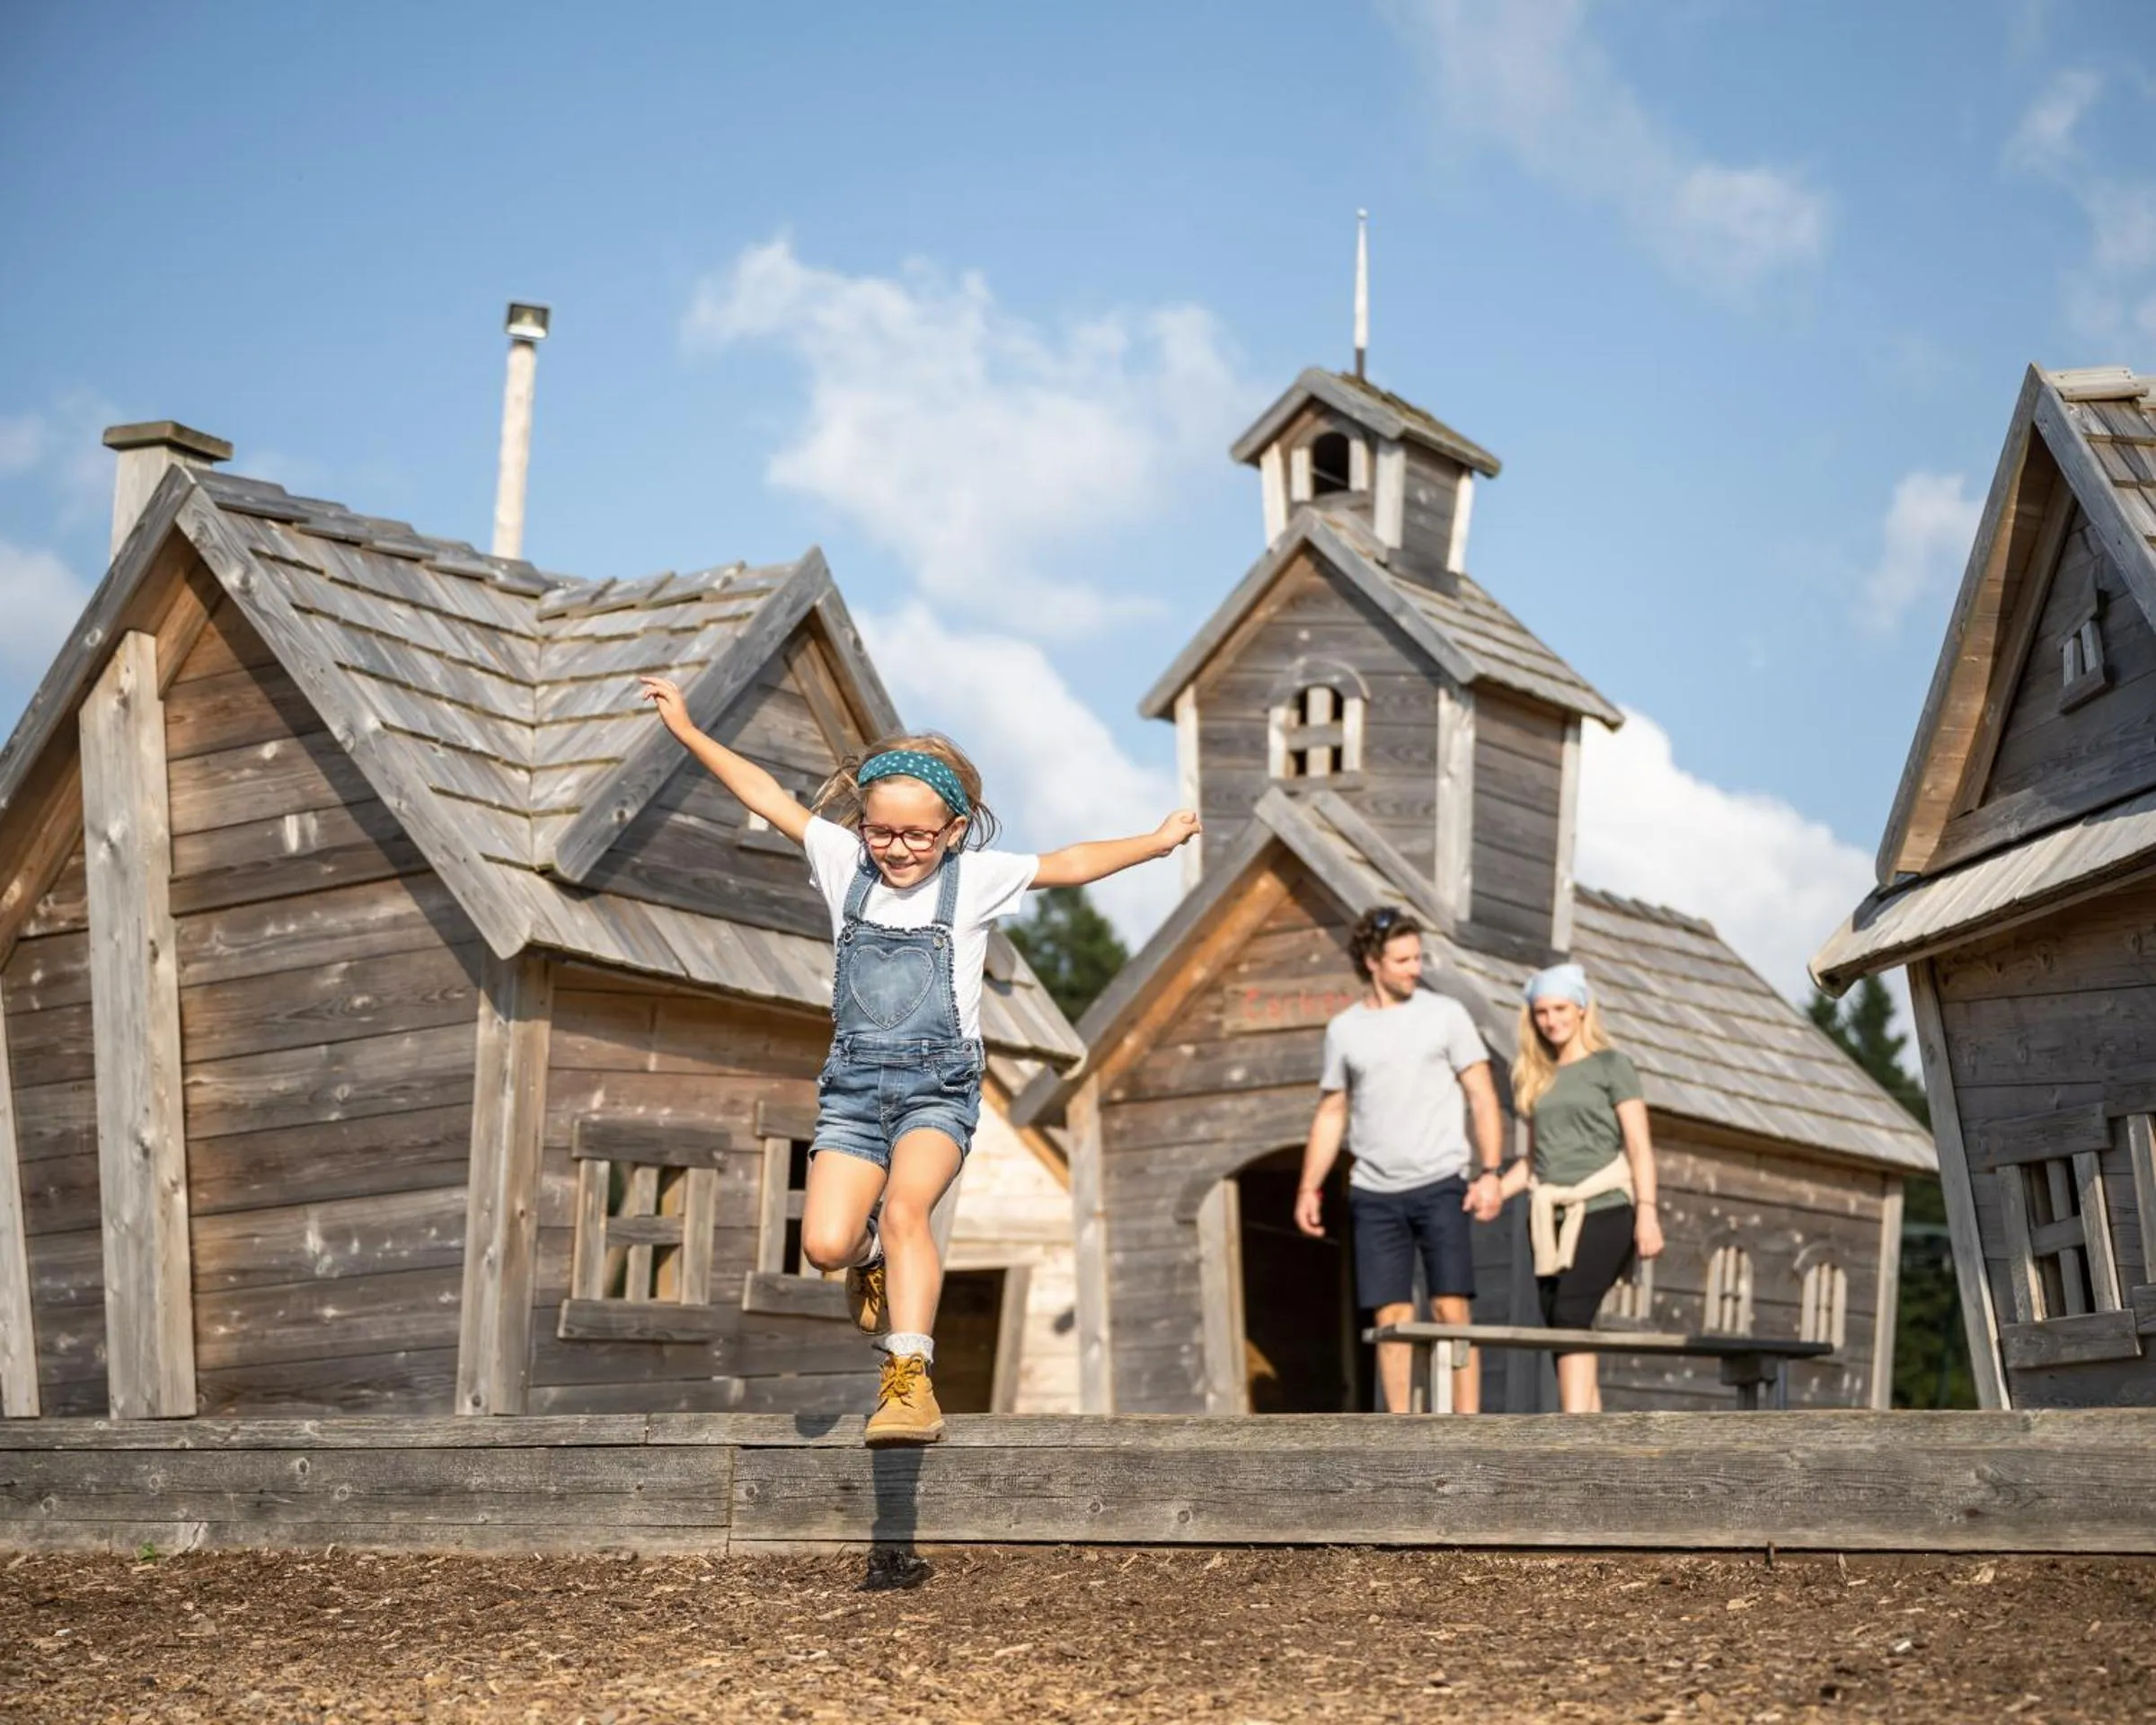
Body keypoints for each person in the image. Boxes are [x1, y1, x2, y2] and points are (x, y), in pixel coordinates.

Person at [640, 676, 1198, 1445]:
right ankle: (868, 1261)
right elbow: (766, 796)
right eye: (881, 833)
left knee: (909, 1209)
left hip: (940, 1086)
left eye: (917, 837)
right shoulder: (843, 864)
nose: (897, 850)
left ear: (955, 830)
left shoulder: (976, 880)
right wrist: (689, 730)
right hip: (852, 1089)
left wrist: (1156, 841)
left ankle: (907, 1383)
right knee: (826, 1244)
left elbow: (1071, 863)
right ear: (862, 825)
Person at [1294, 907, 1506, 1414]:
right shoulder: (1344, 1030)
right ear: (1372, 962)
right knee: (1392, 1315)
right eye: (1403, 959)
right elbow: (1332, 1112)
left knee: (1450, 1306)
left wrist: (1492, 1172)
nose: (1415, 967)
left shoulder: (1445, 1015)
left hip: (1441, 1182)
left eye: (1417, 957)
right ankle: (1398, 1428)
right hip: (1374, 1192)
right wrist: (1309, 1187)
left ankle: (1467, 1425)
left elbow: (1481, 1093)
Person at [1494, 963, 1664, 1413]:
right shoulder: (1534, 1075)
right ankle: (1593, 1431)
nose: (1551, 1020)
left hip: (1605, 1206)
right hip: (1549, 1215)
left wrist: (1647, 1212)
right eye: (1542, 1012)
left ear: (1582, 1007)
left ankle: (1572, 1434)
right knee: (1561, 1323)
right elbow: (1531, 1162)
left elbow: (1639, 1147)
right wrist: (1494, 1190)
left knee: (1571, 1313)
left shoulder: (1613, 1066)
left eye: (1560, 1008)